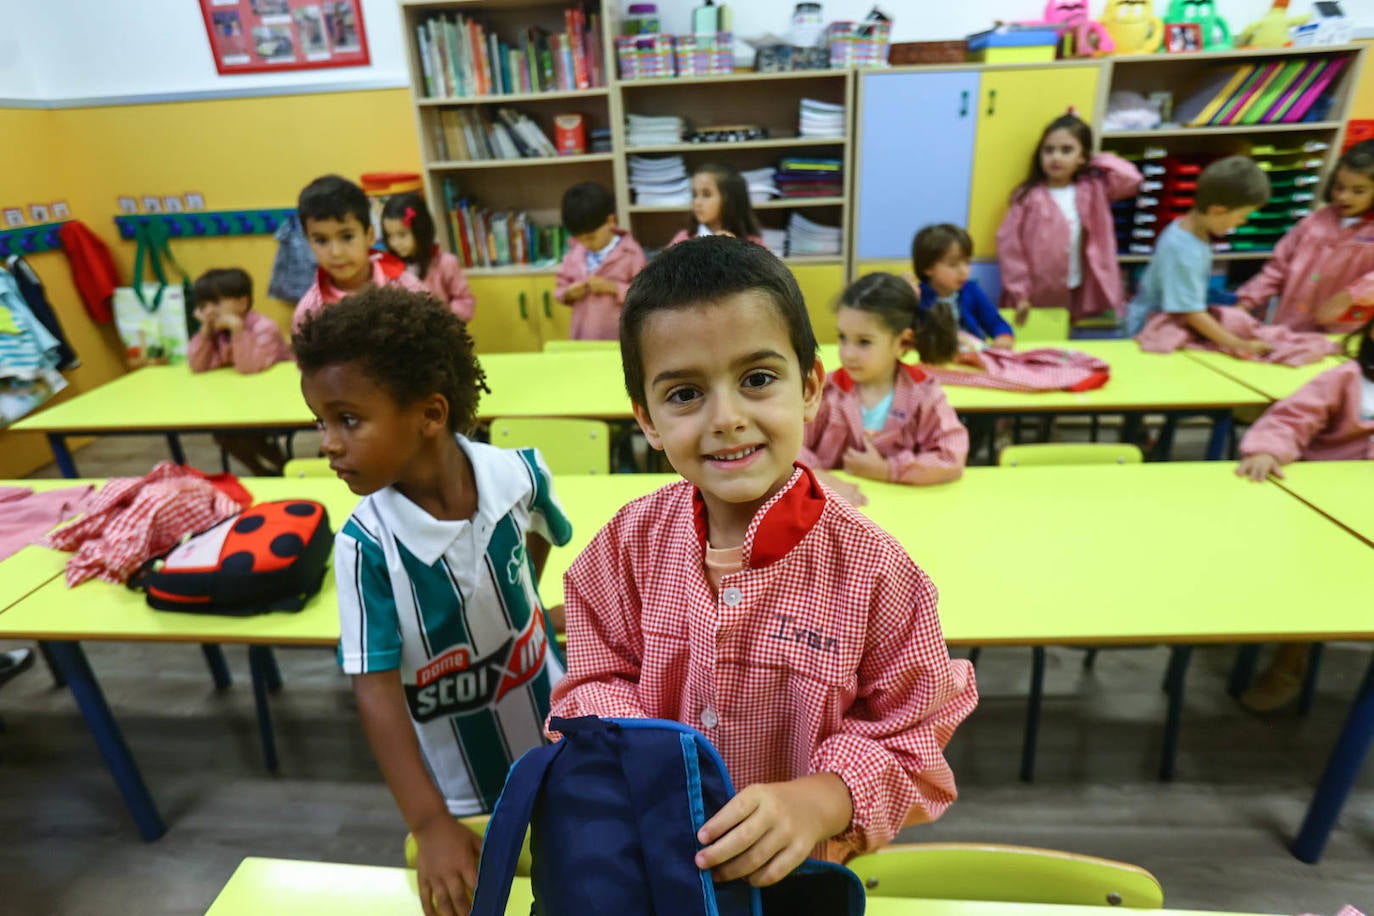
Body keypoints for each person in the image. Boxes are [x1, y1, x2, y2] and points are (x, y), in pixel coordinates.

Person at [549, 236, 977, 884]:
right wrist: (646, 758)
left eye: (756, 379)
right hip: (653, 867)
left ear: (809, 388)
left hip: (799, 880)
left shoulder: (879, 573)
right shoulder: (622, 550)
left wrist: (823, 797)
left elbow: (913, 740)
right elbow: (588, 685)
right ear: (648, 420)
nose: (726, 418)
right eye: (685, 393)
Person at [295, 287, 572, 916]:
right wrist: (428, 824)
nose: (327, 443)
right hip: (462, 786)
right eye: (320, 421)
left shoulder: (520, 474)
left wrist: (516, 606)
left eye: (347, 419)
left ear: (429, 413)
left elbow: (539, 535)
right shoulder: (365, 547)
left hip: (556, 729)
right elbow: (374, 691)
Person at [1232, 315, 1374, 712]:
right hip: (1327, 501)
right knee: (1322, 574)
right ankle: (1289, 661)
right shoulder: (1346, 378)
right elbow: (1291, 418)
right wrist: (1268, 449)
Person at [801, 272, 968, 505]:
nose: (847, 353)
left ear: (903, 342)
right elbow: (787, 447)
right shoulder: (824, 392)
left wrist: (889, 470)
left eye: (864, 342)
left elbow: (951, 456)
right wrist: (817, 477)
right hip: (834, 510)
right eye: (843, 338)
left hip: (904, 510)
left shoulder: (923, 394)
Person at [997, 113, 1143, 324]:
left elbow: (1131, 178)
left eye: (1066, 150)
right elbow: (1010, 248)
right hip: (1035, 292)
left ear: (1081, 156)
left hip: (1077, 287)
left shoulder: (1093, 189)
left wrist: (1094, 159)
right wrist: (1020, 293)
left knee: (1067, 342)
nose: (1056, 157)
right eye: (1049, 150)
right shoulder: (1027, 196)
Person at [1124, 155, 1272, 354]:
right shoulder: (1183, 250)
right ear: (1217, 210)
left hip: (1172, 317)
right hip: (1150, 330)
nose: (1241, 223)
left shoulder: (1191, 229)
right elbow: (1191, 313)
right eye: (1241, 216)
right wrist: (1240, 345)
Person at [1237, 139, 1374, 332]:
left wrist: (1351, 295)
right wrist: (1246, 303)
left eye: (1358, 191)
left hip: (1345, 333)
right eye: (1339, 187)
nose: (1344, 197)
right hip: (1293, 325)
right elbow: (1277, 268)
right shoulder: (1314, 223)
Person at [187, 267, 293, 476]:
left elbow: (249, 368)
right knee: (223, 434)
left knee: (248, 433)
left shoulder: (264, 328)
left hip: (277, 402)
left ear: (243, 302)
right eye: (203, 305)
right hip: (239, 401)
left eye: (216, 303)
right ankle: (260, 471)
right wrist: (205, 332)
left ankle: (284, 467)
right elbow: (197, 366)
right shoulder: (215, 331)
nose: (209, 311)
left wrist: (238, 331)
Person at [291, 174, 424, 333]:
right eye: (321, 240)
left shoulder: (406, 288)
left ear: (369, 236)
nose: (336, 253)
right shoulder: (310, 312)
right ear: (308, 242)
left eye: (347, 237)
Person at [553, 181, 647, 340]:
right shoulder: (575, 251)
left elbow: (644, 296)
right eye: (580, 239)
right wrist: (569, 293)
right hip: (582, 337)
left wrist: (613, 287)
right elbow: (560, 288)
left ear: (610, 221)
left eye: (591, 237)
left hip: (618, 339)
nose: (586, 244)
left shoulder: (630, 253)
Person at [912, 223, 1013, 348]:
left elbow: (995, 321)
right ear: (927, 267)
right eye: (953, 264)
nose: (964, 271)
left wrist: (1003, 337)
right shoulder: (917, 297)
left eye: (967, 262)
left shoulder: (970, 290)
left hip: (972, 357)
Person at [381, 192, 475, 323]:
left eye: (402, 235)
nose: (395, 243)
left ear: (420, 230)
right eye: (390, 236)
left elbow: (465, 301)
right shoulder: (385, 267)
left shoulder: (445, 263)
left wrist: (445, 316)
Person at [668, 163, 764, 246]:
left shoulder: (753, 243)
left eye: (706, 194)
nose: (697, 202)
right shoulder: (683, 239)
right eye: (695, 195)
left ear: (728, 199)